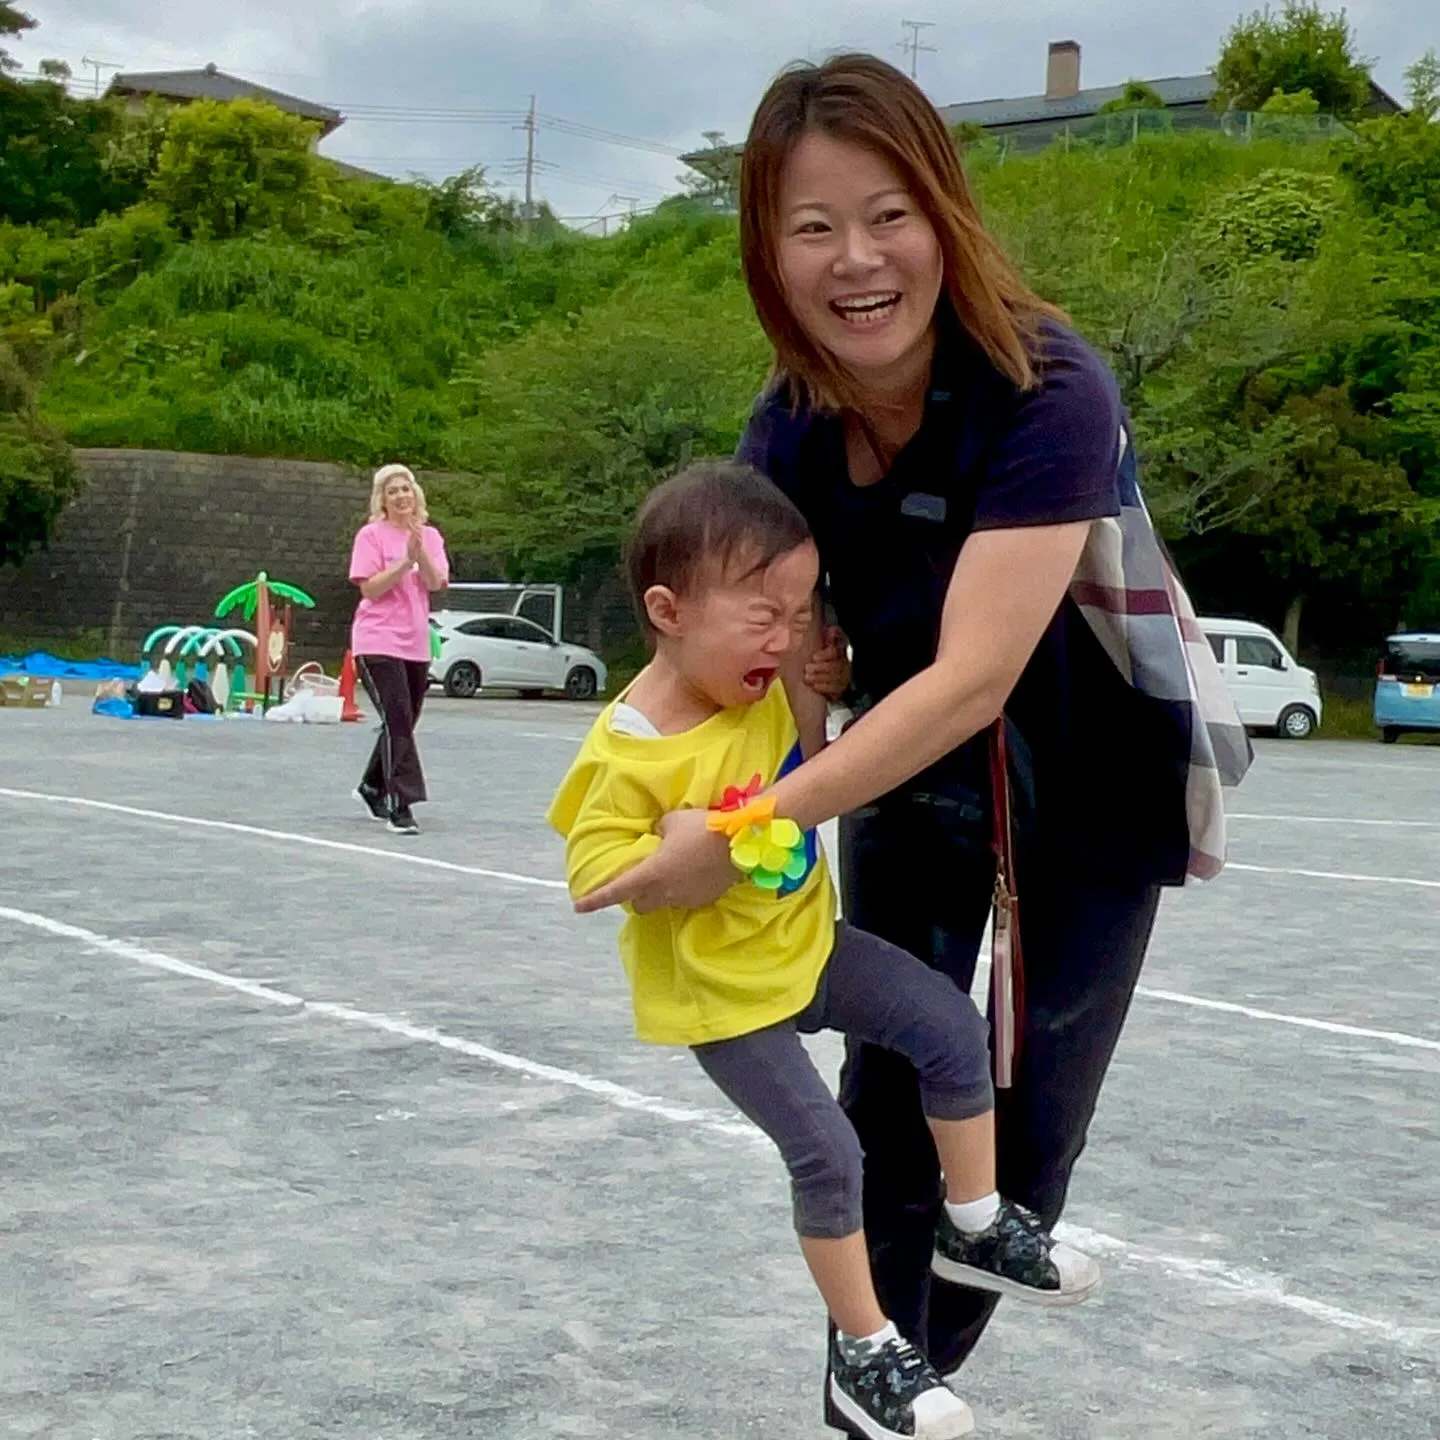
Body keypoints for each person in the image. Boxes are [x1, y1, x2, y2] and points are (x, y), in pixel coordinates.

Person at [574, 53, 1249, 1435]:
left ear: (943, 212)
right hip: (914, 783)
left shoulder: (1046, 381)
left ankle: (913, 1365)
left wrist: (754, 828)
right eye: (812, 226)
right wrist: (705, 811)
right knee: (890, 1102)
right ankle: (871, 1398)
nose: (856, 259)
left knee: (1025, 1141)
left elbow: (971, 676)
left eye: (889, 215)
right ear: (768, 246)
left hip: (1093, 771)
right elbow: (767, 663)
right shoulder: (789, 428)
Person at [551, 463, 1099, 1440]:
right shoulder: (627, 752)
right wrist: (678, 857)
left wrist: (815, 688)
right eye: (765, 614)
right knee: (829, 1155)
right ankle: (866, 1350)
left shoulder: (758, 681)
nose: (789, 633)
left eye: (802, 611)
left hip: (809, 948)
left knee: (946, 1026)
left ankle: (972, 1221)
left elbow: (806, 758)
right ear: (669, 611)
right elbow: (593, 877)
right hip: (728, 1004)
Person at [348, 463, 449, 836]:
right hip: (377, 641)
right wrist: (404, 560)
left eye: (406, 489)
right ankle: (399, 803)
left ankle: (372, 785)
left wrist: (419, 552)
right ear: (382, 500)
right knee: (398, 719)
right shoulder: (370, 536)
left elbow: (436, 582)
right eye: (393, 491)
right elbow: (370, 589)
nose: (401, 496)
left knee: (404, 721)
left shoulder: (431, 537)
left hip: (415, 643)